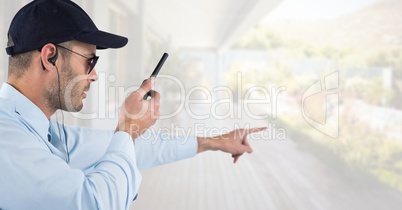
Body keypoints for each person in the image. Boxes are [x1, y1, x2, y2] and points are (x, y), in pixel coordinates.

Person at [0, 0, 265, 210]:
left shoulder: (47, 132)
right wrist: (127, 128)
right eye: (89, 61)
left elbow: (128, 148)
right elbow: (94, 203)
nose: (94, 75)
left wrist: (213, 142)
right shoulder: (7, 139)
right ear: (50, 57)